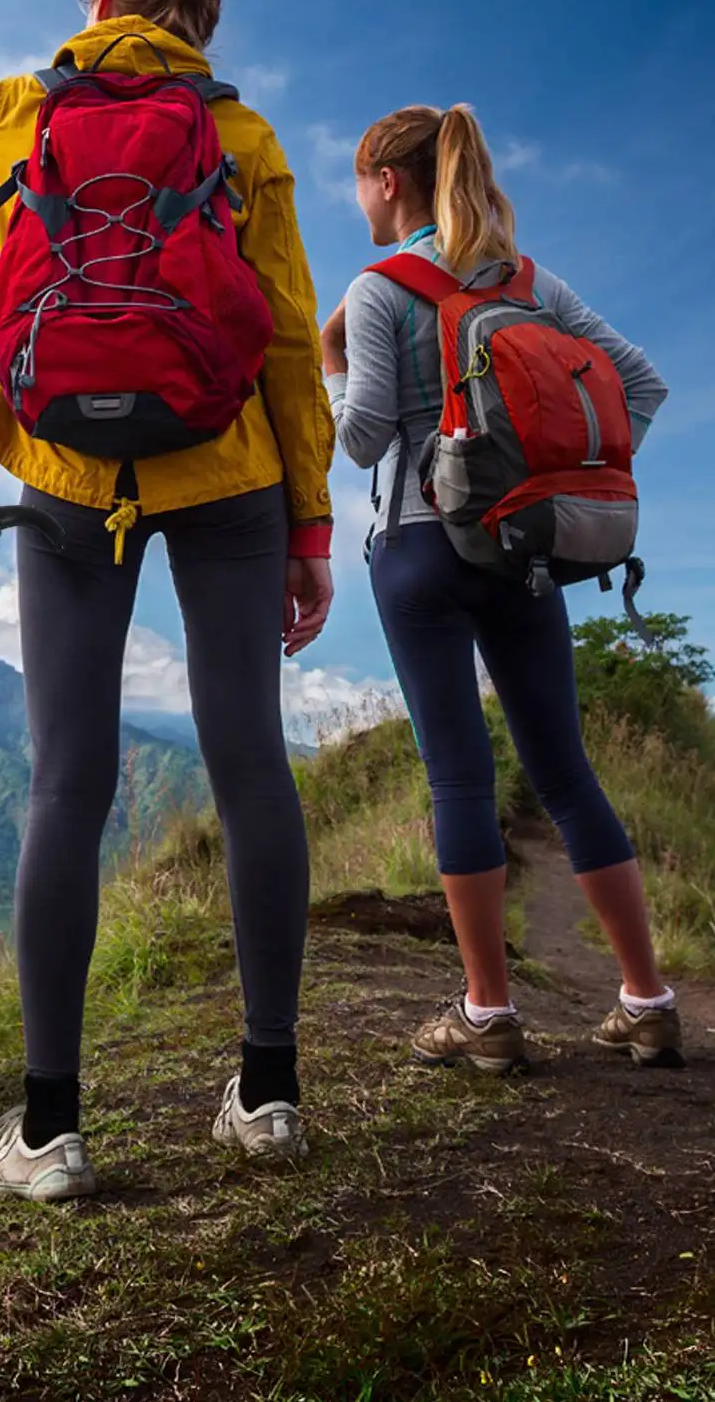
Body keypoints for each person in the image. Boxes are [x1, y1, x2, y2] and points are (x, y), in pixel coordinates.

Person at [0, 0, 336, 1201]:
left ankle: (51, 1131)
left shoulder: (29, 109)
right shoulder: (247, 139)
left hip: (63, 474)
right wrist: (312, 524)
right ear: (198, 27)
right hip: (229, 476)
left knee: (68, 787)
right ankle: (269, 1097)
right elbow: (285, 336)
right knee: (249, 770)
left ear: (102, 2)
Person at [323, 103, 682, 1075]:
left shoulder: (378, 288)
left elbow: (361, 439)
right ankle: (647, 1002)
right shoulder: (529, 282)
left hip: (421, 549)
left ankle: (488, 1013)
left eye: (358, 181)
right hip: (524, 546)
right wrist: (557, 472)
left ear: (387, 182)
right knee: (565, 772)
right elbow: (640, 384)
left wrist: (330, 384)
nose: (355, 198)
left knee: (459, 776)